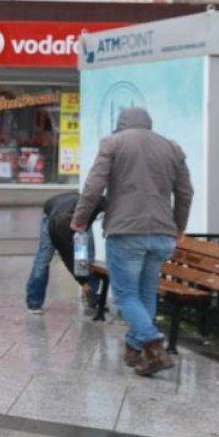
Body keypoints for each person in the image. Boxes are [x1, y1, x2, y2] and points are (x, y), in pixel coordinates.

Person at [72, 107, 193, 377]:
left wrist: (80, 218)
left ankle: (151, 341)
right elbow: (185, 192)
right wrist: (179, 227)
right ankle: (136, 350)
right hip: (162, 234)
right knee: (146, 293)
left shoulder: (113, 143)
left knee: (126, 295)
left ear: (121, 125)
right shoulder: (172, 148)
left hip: (126, 232)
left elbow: (94, 186)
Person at [25, 192, 104, 314]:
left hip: (76, 207)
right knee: (44, 257)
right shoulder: (55, 227)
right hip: (52, 213)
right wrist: (82, 282)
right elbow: (67, 257)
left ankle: (91, 297)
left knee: (86, 255)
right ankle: (34, 303)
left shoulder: (90, 209)